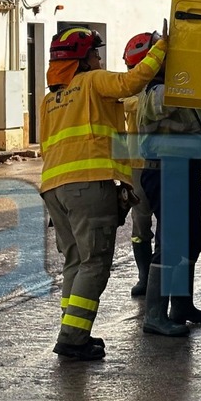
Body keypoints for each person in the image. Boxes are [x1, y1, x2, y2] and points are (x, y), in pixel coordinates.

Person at [40, 26, 167, 361]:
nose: (99, 59)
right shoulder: (93, 81)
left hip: (54, 190)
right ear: (82, 61)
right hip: (88, 185)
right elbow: (130, 83)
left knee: (75, 261)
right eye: (95, 54)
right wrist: (162, 49)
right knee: (95, 262)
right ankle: (72, 338)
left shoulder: (49, 100)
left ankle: (72, 330)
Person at [131, 30, 201, 337]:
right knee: (173, 243)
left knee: (193, 236)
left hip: (184, 169)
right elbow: (165, 105)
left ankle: (181, 305)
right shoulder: (155, 91)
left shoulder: (173, 87)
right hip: (167, 172)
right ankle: (154, 314)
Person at [121, 32, 159, 298]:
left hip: (157, 165)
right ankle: (145, 277)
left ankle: (156, 278)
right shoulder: (134, 94)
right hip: (139, 166)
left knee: (166, 226)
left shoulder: (154, 90)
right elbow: (131, 102)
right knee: (140, 226)